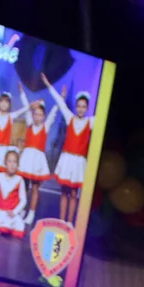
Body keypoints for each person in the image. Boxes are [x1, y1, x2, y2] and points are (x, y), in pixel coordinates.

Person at [44, 76, 96, 226]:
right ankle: (61, 220)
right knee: (64, 192)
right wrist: (48, 84)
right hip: (67, 159)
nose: (80, 109)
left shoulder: (90, 122)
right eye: (78, 106)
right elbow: (60, 102)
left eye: (83, 107)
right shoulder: (70, 118)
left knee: (74, 194)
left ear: (87, 108)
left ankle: (69, 222)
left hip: (78, 162)